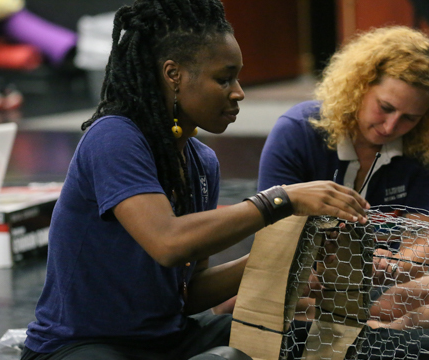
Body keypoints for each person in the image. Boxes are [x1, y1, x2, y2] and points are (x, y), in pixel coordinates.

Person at [20, 1, 371, 359]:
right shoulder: (114, 137)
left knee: (320, 340)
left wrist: (290, 259)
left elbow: (190, 294)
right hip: (81, 345)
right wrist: (279, 199)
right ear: (174, 74)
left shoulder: (202, 162)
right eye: (223, 78)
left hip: (168, 340)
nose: (238, 92)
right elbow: (168, 242)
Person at [258, 26, 429, 330]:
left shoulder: (423, 151)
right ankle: (360, 328)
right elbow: (271, 238)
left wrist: (393, 266)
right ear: (359, 85)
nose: (390, 126)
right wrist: (325, 267)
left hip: (377, 292)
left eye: (409, 118)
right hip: (307, 282)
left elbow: (420, 248)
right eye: (385, 108)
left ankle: (380, 331)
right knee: (233, 303)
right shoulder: (298, 131)